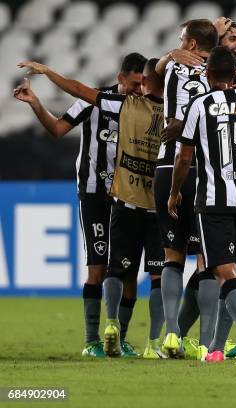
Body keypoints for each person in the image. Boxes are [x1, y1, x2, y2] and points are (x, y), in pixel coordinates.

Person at [13, 53, 164, 358]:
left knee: (127, 271)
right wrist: (35, 104)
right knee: (97, 265)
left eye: (143, 84)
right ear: (121, 78)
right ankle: (91, 340)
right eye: (134, 83)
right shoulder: (94, 101)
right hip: (95, 194)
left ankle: (118, 337)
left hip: (129, 197)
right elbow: (57, 130)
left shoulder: (144, 106)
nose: (139, 89)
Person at [153, 18, 236, 359]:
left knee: (172, 257)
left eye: (182, 38)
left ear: (190, 43)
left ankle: (173, 334)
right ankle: (210, 342)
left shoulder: (175, 65)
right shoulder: (226, 70)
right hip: (212, 172)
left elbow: (153, 75)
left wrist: (172, 53)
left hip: (173, 163)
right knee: (212, 262)